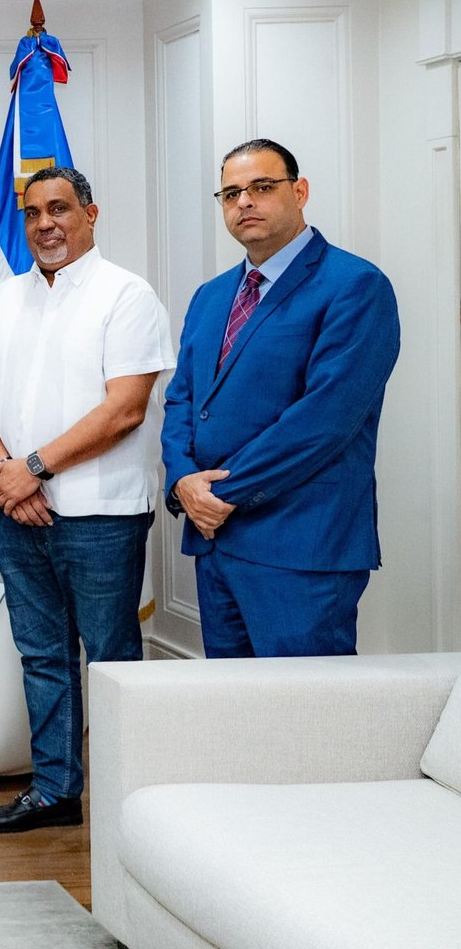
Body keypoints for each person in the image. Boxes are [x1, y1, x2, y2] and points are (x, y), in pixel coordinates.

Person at [0, 166, 174, 833]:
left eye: (58, 209)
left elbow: (124, 410)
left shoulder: (127, 295)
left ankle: (125, 800)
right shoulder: (3, 299)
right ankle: (55, 792)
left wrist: (31, 469)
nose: (44, 224)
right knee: (42, 657)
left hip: (102, 517)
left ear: (90, 213)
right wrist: (9, 476)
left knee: (110, 661)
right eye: (32, 213)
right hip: (18, 513)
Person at [162, 138, 399, 658]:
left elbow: (324, 420)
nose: (244, 202)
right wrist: (182, 480)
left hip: (301, 546)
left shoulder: (355, 285)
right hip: (215, 544)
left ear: (300, 191)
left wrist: (218, 494)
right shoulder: (210, 296)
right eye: (231, 194)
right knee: (233, 703)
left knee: (306, 705)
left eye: (262, 187)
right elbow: (182, 401)